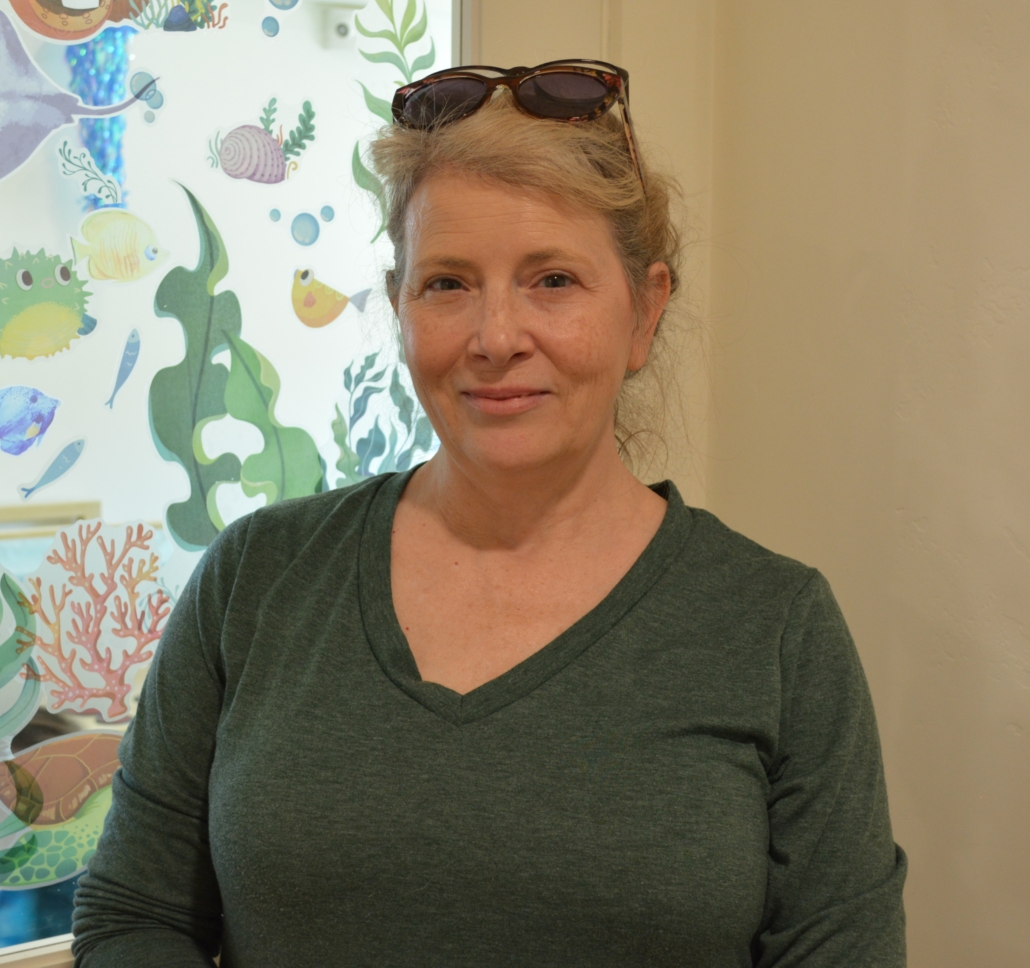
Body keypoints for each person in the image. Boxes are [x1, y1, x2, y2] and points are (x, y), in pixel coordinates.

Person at [71, 60, 907, 967]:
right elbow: (133, 915)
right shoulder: (257, 579)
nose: (496, 337)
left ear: (644, 311)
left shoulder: (776, 630)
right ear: (399, 306)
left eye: (554, 280)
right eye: (448, 284)